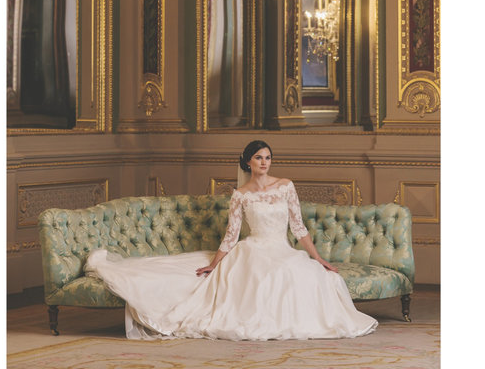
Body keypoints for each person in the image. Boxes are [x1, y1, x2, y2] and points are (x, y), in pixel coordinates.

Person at [84, 140, 378, 340]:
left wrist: (319, 259)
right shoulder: (240, 195)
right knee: (261, 278)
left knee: (310, 275)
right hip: (253, 251)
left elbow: (299, 228)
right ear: (248, 162)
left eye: (268, 157)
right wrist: (213, 264)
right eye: (259, 158)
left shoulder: (286, 186)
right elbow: (231, 235)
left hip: (282, 249)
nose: (264, 162)